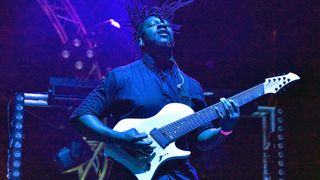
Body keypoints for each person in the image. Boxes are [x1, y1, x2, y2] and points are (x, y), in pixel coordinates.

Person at [70, 1, 240, 179]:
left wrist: (224, 130)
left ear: (173, 38)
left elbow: (201, 140)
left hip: (180, 174)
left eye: (166, 24)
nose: (161, 24)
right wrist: (119, 138)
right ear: (141, 40)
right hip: (130, 173)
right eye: (152, 24)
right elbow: (81, 117)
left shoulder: (191, 86)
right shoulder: (121, 77)